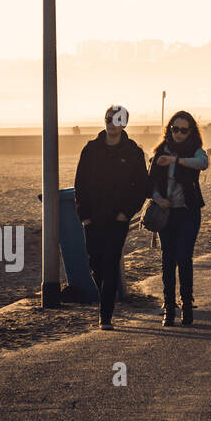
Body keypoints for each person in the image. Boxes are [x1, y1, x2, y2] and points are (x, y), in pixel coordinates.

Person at [73, 104, 148, 330]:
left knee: (111, 261)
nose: (111, 124)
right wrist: (84, 216)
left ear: (124, 123)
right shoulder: (91, 149)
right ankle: (108, 292)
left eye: (116, 120)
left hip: (118, 219)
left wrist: (126, 212)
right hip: (92, 218)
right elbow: (80, 184)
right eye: (108, 119)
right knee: (95, 263)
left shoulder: (133, 151)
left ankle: (105, 315)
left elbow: (142, 186)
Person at [149, 111, 208, 327]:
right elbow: (151, 181)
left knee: (184, 257)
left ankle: (186, 302)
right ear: (169, 129)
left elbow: (203, 163)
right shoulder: (160, 151)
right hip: (166, 213)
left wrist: (175, 160)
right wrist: (158, 198)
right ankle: (169, 306)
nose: (179, 134)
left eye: (183, 130)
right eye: (175, 129)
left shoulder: (195, 151)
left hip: (188, 212)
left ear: (190, 131)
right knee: (168, 259)